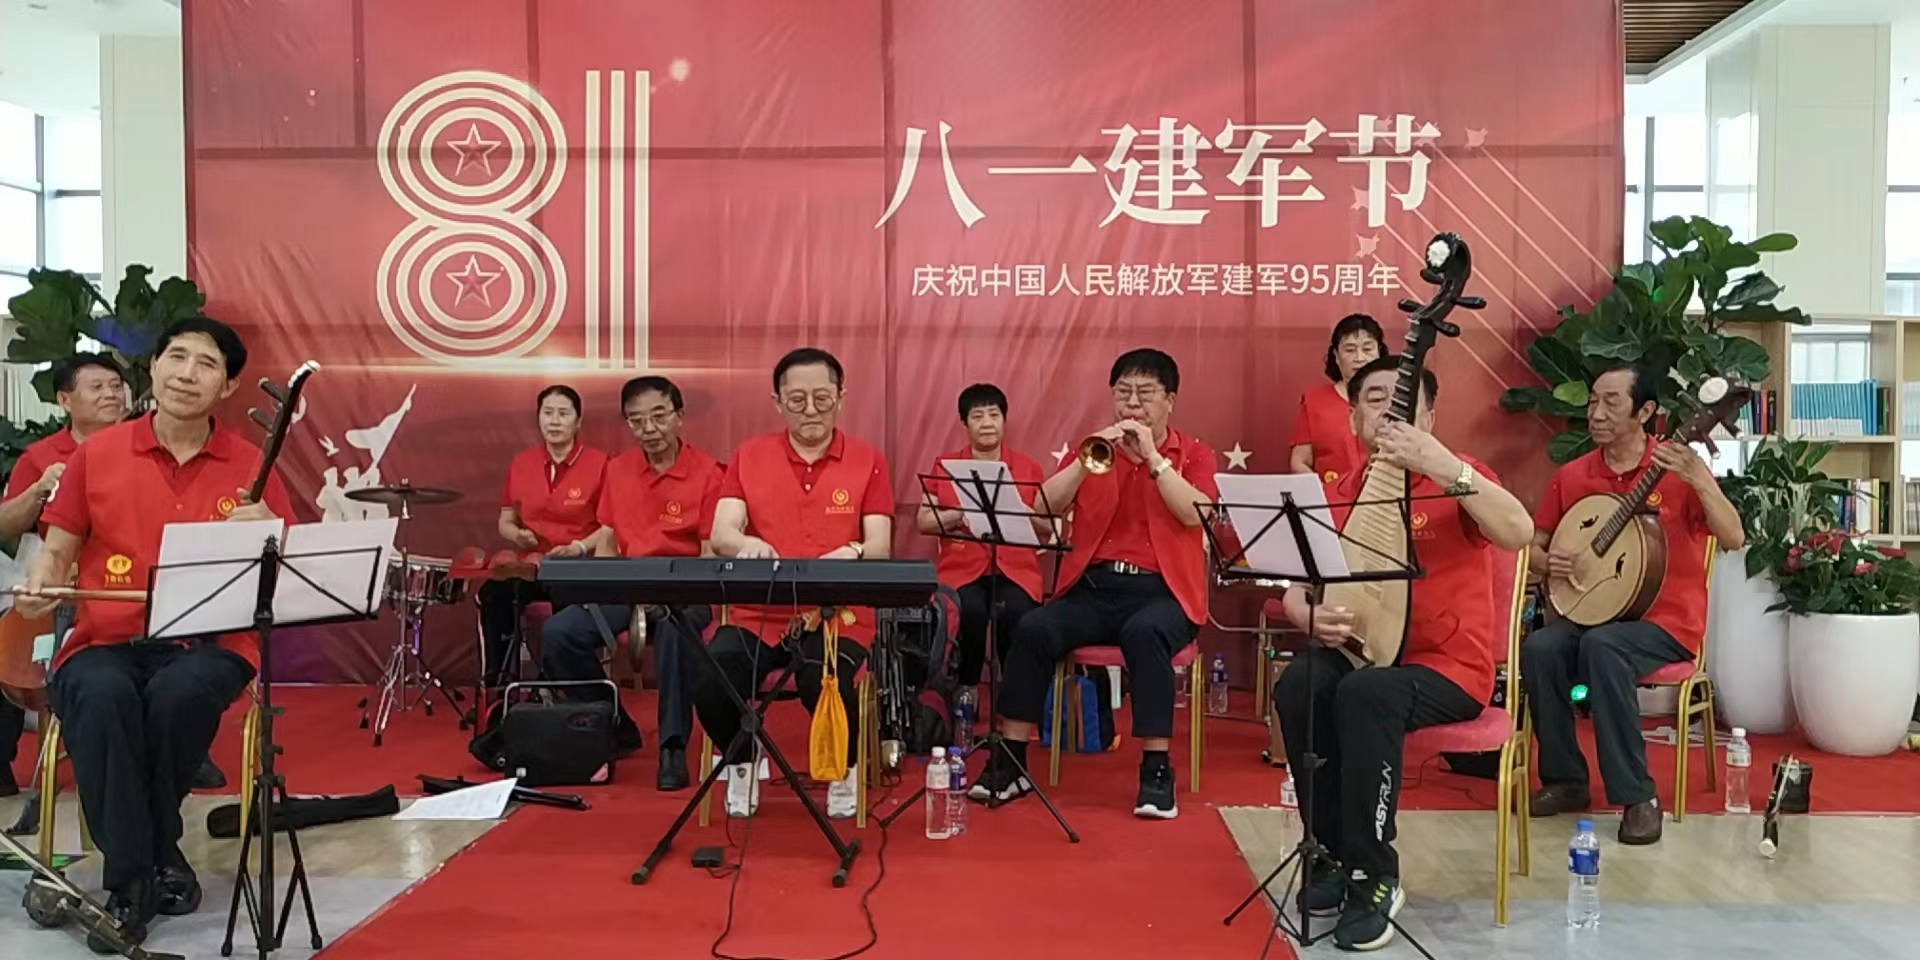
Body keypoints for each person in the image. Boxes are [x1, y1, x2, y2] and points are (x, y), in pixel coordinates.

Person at [17, 318, 294, 952]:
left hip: (208, 645)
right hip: (104, 636)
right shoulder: (98, 454)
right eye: (177, 356)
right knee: (101, 696)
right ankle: (149, 866)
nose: (187, 373)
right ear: (154, 366)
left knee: (178, 694)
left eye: (206, 364)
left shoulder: (251, 467)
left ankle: (130, 880)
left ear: (228, 386)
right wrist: (41, 580)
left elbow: (280, 575)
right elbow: (57, 550)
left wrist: (267, 532)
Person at [1270, 355, 1533, 951]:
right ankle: (1329, 854)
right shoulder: (1340, 492)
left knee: (1367, 693)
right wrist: (1302, 610)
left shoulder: (1460, 476)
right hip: (1363, 654)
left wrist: (1442, 465)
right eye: (1374, 399)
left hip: (1448, 668)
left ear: (1429, 417)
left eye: (1405, 400)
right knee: (1300, 683)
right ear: (1353, 420)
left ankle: (1374, 873)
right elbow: (1298, 584)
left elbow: (1517, 532)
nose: (1389, 409)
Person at [970, 348, 1218, 820]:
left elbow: (1194, 514)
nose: (1132, 404)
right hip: (1094, 588)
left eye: (1145, 394)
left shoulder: (1194, 455)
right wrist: (1083, 462)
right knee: (1033, 627)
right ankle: (1011, 761)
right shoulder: (1094, 450)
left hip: (1164, 592)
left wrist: (1153, 459)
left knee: (1145, 633)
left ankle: (1155, 769)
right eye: (1123, 394)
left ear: (1170, 401)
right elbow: (1043, 510)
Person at [1524, 363, 1744, 846]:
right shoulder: (1573, 475)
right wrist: (1548, 561)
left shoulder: (1677, 471)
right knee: (1540, 648)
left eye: (1611, 402)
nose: (1596, 413)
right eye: (1592, 402)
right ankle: (1565, 779)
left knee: (1604, 647)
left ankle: (1637, 797)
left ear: (1645, 412)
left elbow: (1733, 537)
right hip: (1594, 612)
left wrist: (1701, 480)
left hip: (1665, 624)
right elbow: (1535, 546)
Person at [697, 347, 892, 820]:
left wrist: (855, 551)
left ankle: (843, 768)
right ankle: (743, 761)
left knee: (822, 680)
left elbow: (880, 545)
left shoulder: (866, 460)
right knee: (712, 677)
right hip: (759, 614)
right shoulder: (750, 456)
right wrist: (745, 542)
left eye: (822, 398)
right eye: (797, 399)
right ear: (777, 402)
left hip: (837, 616)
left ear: (841, 398)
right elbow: (721, 534)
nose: (810, 410)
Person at [540, 376, 720, 790]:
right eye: (637, 421)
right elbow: (607, 537)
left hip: (686, 589)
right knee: (559, 633)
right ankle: (614, 722)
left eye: (659, 417)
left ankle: (673, 745)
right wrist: (602, 588)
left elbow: (710, 552)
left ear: (679, 416)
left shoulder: (708, 473)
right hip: (629, 584)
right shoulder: (618, 470)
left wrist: (685, 590)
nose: (649, 429)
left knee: (674, 629)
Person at [0, 352, 128, 797]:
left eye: (116, 386)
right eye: (97, 387)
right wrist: (39, 491)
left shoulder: (142, 447)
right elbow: (6, 525)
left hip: (121, 584)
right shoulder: (40, 456)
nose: (111, 394)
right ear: (65, 400)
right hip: (55, 583)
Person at [914, 383, 1049, 693]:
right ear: (965, 423)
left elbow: (1049, 528)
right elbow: (924, 521)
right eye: (977, 416)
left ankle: (1015, 693)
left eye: (994, 415)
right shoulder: (945, 466)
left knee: (1016, 612)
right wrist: (961, 513)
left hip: (1016, 570)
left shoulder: (1029, 467)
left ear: (1004, 420)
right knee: (969, 610)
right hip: (962, 569)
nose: (987, 423)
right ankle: (967, 689)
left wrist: (1023, 512)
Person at [480, 386, 607, 689]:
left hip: (578, 566)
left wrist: (579, 547)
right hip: (533, 565)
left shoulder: (601, 464)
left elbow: (610, 526)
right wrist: (517, 535)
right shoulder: (522, 463)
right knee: (494, 594)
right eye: (548, 413)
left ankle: (560, 686)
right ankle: (500, 685)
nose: (555, 421)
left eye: (563, 413)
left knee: (567, 607)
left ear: (578, 421)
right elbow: (505, 521)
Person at [1289, 314, 1385, 485]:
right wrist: (1323, 493)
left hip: (1383, 495)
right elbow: (1299, 462)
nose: (1359, 358)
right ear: (1336, 355)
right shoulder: (1314, 400)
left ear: (1379, 352)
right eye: (1350, 350)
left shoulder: (1395, 400)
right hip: (1330, 497)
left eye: (1367, 349)